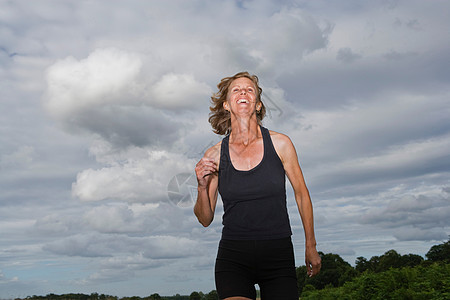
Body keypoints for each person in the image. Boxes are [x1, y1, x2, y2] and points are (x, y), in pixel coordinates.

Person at [194, 71, 321, 300]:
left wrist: (310, 244)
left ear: (258, 105)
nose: (243, 92)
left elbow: (302, 194)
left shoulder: (281, 144)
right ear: (226, 105)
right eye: (236, 89)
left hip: (278, 253)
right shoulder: (213, 155)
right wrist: (202, 188)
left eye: (249, 89)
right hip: (234, 256)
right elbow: (205, 219)